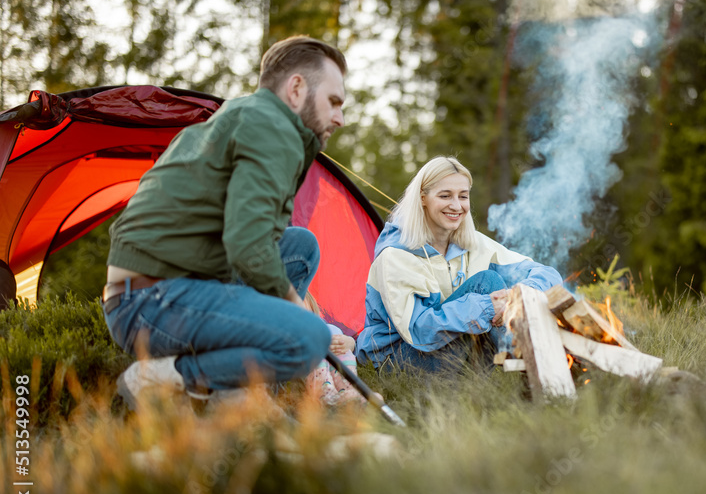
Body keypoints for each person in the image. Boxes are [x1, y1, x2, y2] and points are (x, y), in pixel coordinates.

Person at [103, 35, 347, 409]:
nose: (339, 118)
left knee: (299, 248)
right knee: (309, 338)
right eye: (333, 102)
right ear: (296, 88)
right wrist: (294, 306)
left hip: (150, 291)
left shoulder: (243, 114)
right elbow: (248, 245)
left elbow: (252, 238)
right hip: (153, 302)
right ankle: (166, 378)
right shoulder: (272, 127)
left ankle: (241, 390)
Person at [357, 156, 562, 373]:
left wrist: (516, 296)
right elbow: (418, 330)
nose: (456, 206)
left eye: (463, 196)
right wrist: (486, 307)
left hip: (451, 350)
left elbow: (546, 274)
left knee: (504, 288)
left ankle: (532, 368)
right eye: (445, 196)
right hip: (398, 358)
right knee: (487, 282)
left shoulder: (472, 243)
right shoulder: (396, 254)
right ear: (422, 198)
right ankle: (534, 370)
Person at [302, 292, 365, 409]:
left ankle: (348, 390)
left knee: (337, 339)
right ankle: (324, 393)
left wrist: (348, 342)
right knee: (315, 345)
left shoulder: (327, 328)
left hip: (333, 362)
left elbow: (346, 343)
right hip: (308, 361)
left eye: (308, 315)